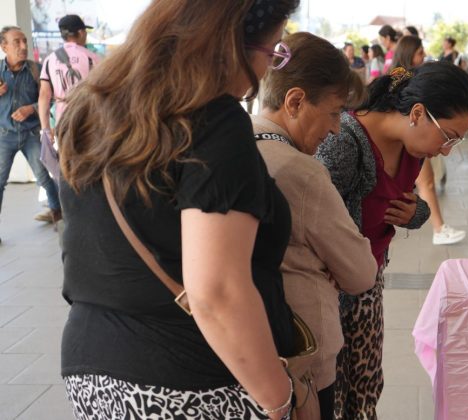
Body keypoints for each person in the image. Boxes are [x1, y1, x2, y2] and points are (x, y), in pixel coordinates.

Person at [56, 1, 302, 418]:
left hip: (91, 368)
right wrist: (278, 397)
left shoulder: (92, 105)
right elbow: (216, 292)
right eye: (272, 51)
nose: (266, 71)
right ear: (230, 44)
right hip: (188, 383)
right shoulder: (215, 121)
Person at [315, 61, 468, 419]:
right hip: (327, 291)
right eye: (448, 136)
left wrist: (417, 213)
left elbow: (407, 204)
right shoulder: (344, 144)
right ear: (417, 113)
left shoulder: (412, 149)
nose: (447, 150)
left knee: (366, 386)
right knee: (332, 392)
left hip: (368, 279)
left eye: (455, 141)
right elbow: (311, 223)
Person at [253, 32, 376, 420]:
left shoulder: (235, 145)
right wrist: (327, 267)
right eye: (335, 112)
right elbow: (360, 272)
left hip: (248, 351)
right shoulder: (301, 171)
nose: (337, 128)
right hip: (302, 351)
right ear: (295, 101)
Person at [393, 35, 466, 245]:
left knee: (426, 182)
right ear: (408, 53)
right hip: (411, 141)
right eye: (420, 52)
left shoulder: (403, 75)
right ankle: (439, 228)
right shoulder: (403, 77)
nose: (423, 56)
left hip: (411, 140)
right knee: (426, 182)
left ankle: (439, 227)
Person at [0, 25, 62, 242]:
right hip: (4, 136)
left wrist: (32, 109)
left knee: (45, 177)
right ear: (4, 46)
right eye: (16, 42)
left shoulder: (37, 70)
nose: (23, 46)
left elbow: (51, 99)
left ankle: (59, 218)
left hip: (31, 134)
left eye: (24, 41)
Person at [38, 14, 100, 135]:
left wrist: (45, 129)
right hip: (88, 120)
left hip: (62, 122)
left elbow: (44, 95)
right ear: (81, 33)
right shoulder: (92, 58)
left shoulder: (50, 59)